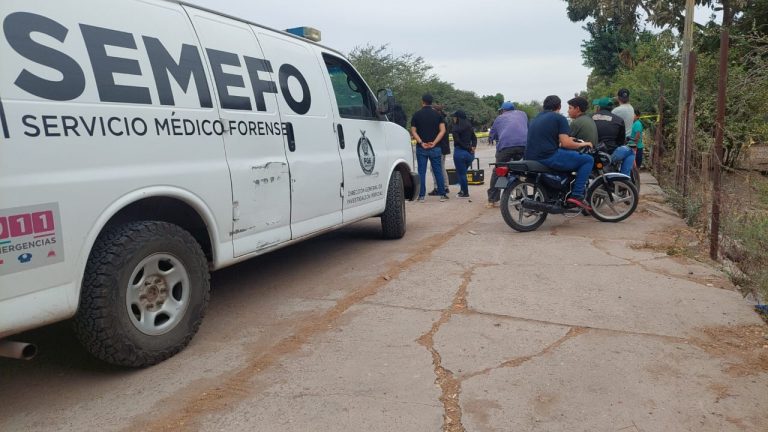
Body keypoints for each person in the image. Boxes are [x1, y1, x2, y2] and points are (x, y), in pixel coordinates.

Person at [525, 95, 593, 210]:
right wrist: (584, 144)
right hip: (547, 156)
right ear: (559, 106)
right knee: (587, 160)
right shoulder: (559, 118)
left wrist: (567, 140)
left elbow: (548, 138)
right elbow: (566, 143)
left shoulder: (535, 119)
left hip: (530, 156)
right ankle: (577, 195)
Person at [486, 101, 528, 208]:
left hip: (506, 146)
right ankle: (522, 197)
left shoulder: (499, 118)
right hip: (524, 145)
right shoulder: (522, 114)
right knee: (522, 171)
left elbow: (492, 135)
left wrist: (492, 139)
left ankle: (493, 200)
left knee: (498, 170)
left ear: (503, 110)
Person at [410, 94, 448, 201]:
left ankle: (421, 196)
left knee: (421, 172)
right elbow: (442, 130)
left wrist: (421, 142)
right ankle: (442, 194)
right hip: (435, 147)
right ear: (432, 102)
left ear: (422, 101)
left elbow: (413, 131)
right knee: (438, 171)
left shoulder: (416, 115)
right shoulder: (437, 115)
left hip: (421, 148)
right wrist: (434, 142)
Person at [592, 97, 635, 176]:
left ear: (599, 107)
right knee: (630, 152)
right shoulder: (618, 120)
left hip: (592, 153)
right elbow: (620, 142)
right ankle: (625, 180)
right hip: (609, 155)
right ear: (612, 108)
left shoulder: (589, 118)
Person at [450, 110, 477, 199]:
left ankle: (465, 192)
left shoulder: (455, 128)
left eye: (454, 117)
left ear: (458, 118)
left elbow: (458, 141)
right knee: (463, 172)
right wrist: (473, 147)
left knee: (461, 174)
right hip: (470, 155)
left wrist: (468, 148)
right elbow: (474, 138)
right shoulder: (469, 126)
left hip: (460, 153)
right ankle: (462, 190)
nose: (453, 119)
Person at [428, 104, 451, 196]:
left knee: (435, 168)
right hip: (443, 147)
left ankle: (439, 187)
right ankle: (444, 186)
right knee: (440, 167)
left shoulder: (439, 121)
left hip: (440, 147)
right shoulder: (443, 120)